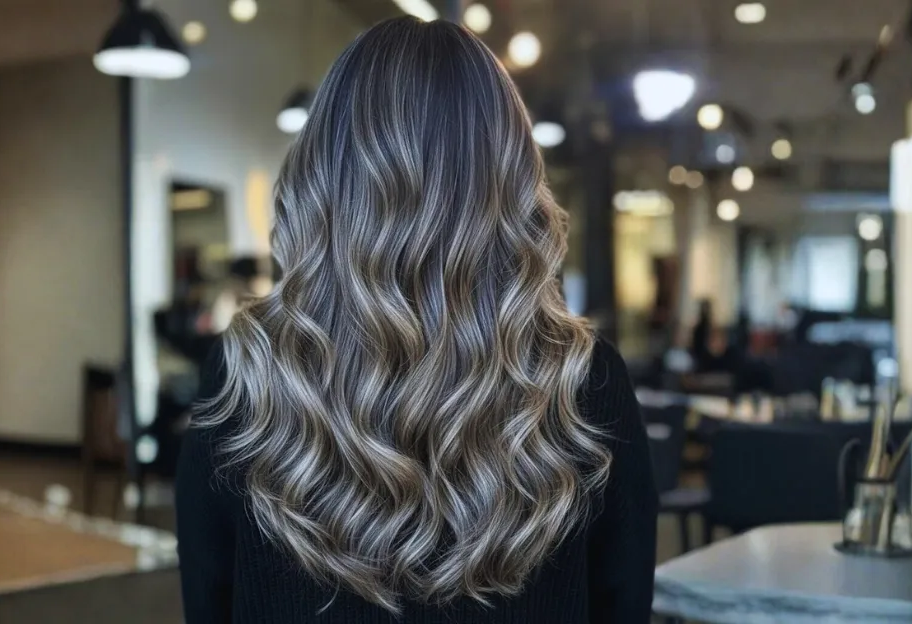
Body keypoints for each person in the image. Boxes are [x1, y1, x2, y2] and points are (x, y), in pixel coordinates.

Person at [176, 16, 658, 623]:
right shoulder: (583, 382)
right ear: (511, 179)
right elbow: (622, 607)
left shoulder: (244, 371)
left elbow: (208, 603)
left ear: (326, 172)